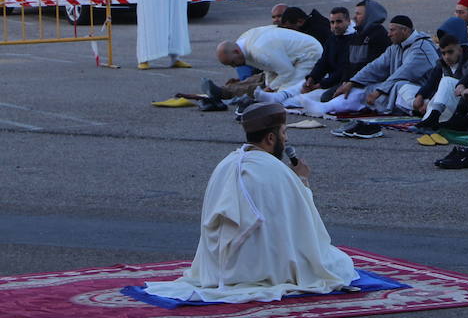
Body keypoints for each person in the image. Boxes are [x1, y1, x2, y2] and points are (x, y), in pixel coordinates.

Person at [137, 102, 359, 305]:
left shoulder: (226, 163)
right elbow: (305, 225)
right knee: (339, 264)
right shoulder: (278, 171)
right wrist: (301, 180)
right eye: (284, 133)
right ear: (270, 139)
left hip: (218, 267)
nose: (287, 140)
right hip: (262, 266)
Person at [326, 17, 440, 136]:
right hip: (398, 90)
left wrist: (379, 92)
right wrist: (352, 82)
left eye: (392, 30)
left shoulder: (422, 47)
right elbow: (375, 67)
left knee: (399, 86)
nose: (388, 34)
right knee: (368, 87)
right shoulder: (396, 46)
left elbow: (403, 73)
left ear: (405, 31)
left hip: (424, 92)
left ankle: (424, 108)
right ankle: (330, 107)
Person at [211, 26, 322, 103]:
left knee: (283, 94)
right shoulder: (243, 42)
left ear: (236, 52)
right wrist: (269, 87)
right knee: (269, 88)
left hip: (309, 55)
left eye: (233, 63)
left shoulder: (259, 51)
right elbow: (269, 69)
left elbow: (287, 72)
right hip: (291, 59)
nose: (234, 67)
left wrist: (270, 88)